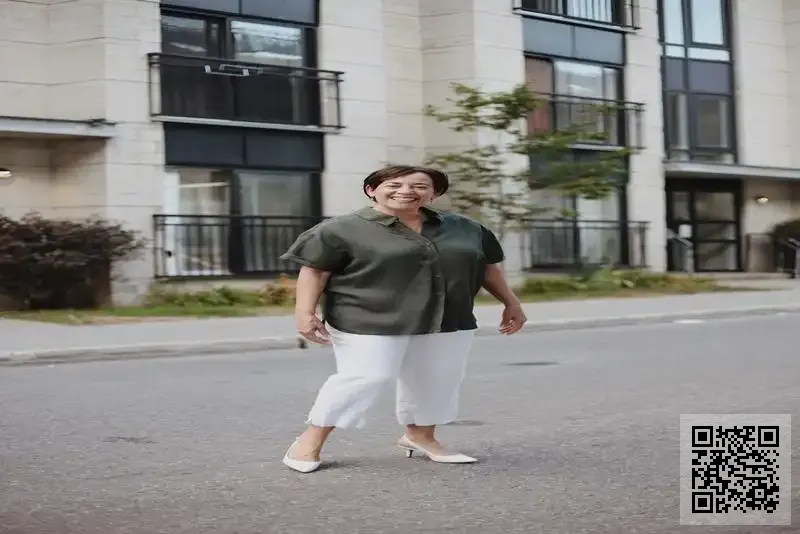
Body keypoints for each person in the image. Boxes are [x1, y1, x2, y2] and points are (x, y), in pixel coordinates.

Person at [278, 165, 527, 473]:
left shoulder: (466, 228)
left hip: (447, 317)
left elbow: (488, 267)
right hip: (368, 318)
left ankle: (420, 436)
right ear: (372, 190)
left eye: (420, 186)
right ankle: (309, 441)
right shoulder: (340, 229)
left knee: (438, 378)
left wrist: (511, 302)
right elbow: (315, 271)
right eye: (394, 184)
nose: (406, 191)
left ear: (434, 193)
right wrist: (304, 312)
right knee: (366, 377)